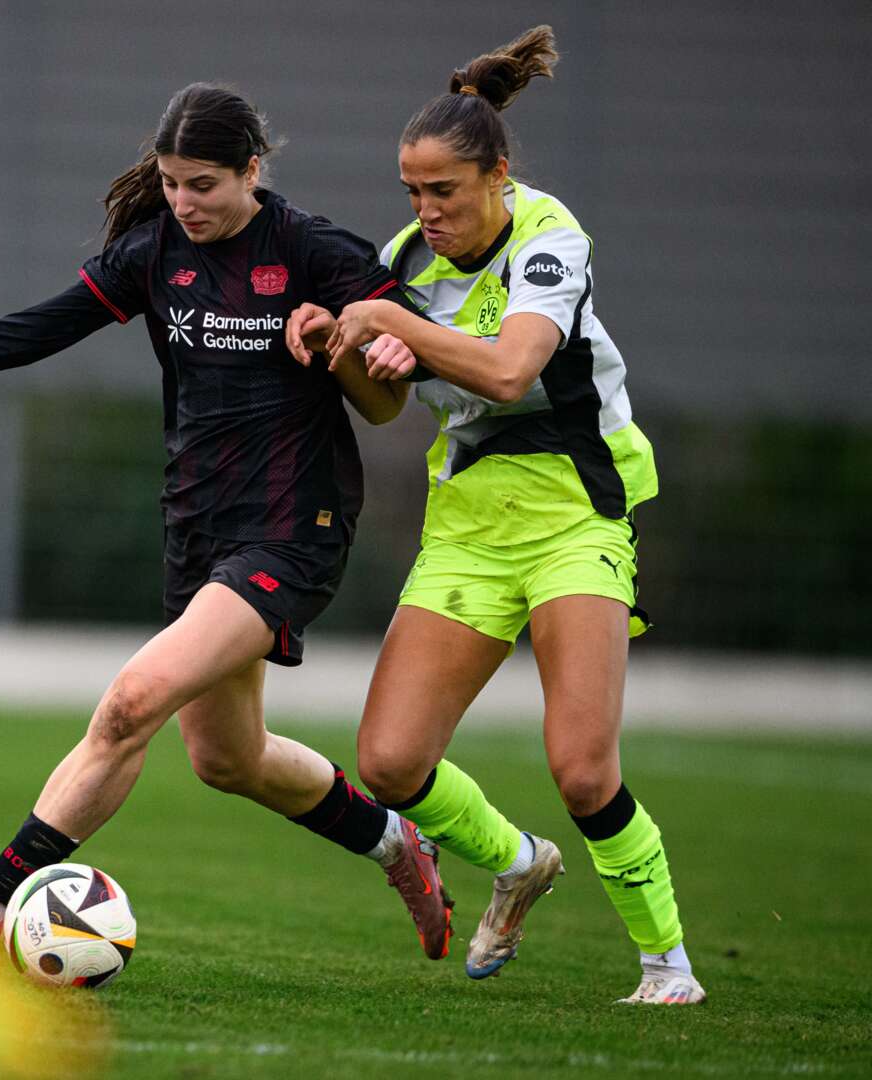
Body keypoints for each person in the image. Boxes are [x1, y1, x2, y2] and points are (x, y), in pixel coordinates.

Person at [0, 83, 455, 962]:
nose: (184, 203)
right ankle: (393, 842)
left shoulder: (308, 247)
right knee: (229, 758)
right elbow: (28, 334)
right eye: (172, 182)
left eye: (204, 185)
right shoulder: (155, 254)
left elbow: (408, 338)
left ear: (252, 170)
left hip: (294, 524)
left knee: (127, 706)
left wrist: (366, 339)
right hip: (198, 524)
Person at [284, 26, 704, 1005]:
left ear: (498, 177)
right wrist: (339, 345)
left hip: (576, 518)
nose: (426, 213)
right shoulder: (401, 264)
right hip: (467, 527)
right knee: (388, 762)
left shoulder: (550, 239)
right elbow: (386, 403)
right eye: (412, 193)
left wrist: (393, 324)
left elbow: (514, 369)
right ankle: (517, 863)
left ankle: (667, 965)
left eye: (445, 192)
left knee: (584, 770)